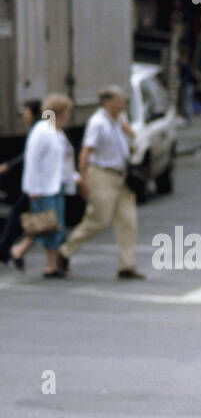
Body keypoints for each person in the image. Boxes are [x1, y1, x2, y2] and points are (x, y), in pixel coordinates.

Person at [57, 86, 139, 279]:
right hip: (103, 175)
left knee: (128, 221)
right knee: (98, 219)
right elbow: (85, 153)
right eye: (120, 100)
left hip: (122, 176)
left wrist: (130, 133)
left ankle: (126, 265)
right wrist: (84, 180)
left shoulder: (121, 120)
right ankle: (65, 251)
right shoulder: (97, 123)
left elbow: (133, 145)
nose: (123, 104)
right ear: (108, 102)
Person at [17, 95, 79, 279]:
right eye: (67, 112)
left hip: (55, 185)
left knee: (54, 225)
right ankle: (46, 263)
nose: (69, 116)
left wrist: (74, 179)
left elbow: (64, 161)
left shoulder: (56, 131)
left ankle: (48, 262)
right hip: (43, 187)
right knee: (49, 225)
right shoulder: (42, 131)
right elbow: (33, 162)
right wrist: (33, 189)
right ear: (60, 112)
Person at [1, 99, 43, 269]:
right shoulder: (40, 129)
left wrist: (9, 166)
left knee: (44, 221)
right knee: (24, 216)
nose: (24, 115)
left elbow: (29, 157)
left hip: (38, 184)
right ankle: (10, 249)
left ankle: (13, 249)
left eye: (26, 112)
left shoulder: (40, 131)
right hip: (36, 184)